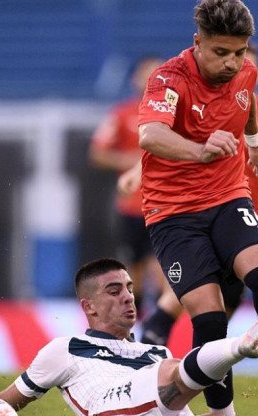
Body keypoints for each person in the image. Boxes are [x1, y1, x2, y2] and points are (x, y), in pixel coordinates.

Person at [135, 1, 258, 413]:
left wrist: (252, 143)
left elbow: (245, 97)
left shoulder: (244, 72)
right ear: (197, 42)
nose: (233, 63)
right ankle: (222, 412)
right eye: (221, 53)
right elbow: (150, 135)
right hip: (173, 215)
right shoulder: (167, 79)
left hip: (227, 196)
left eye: (239, 52)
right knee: (212, 324)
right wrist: (200, 151)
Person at [0, 258, 258, 416]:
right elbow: (2, 404)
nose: (128, 298)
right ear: (88, 306)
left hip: (158, 401)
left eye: (130, 289)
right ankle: (244, 344)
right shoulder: (66, 349)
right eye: (114, 292)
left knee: (171, 370)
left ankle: (241, 350)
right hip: (109, 408)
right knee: (171, 371)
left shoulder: (154, 352)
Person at [90, 56, 167, 315]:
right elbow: (98, 152)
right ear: (135, 78)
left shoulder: (176, 114)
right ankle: (138, 324)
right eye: (147, 72)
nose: (152, 78)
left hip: (166, 206)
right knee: (132, 271)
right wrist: (130, 161)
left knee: (161, 270)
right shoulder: (121, 114)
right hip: (132, 206)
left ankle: (161, 328)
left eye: (158, 72)